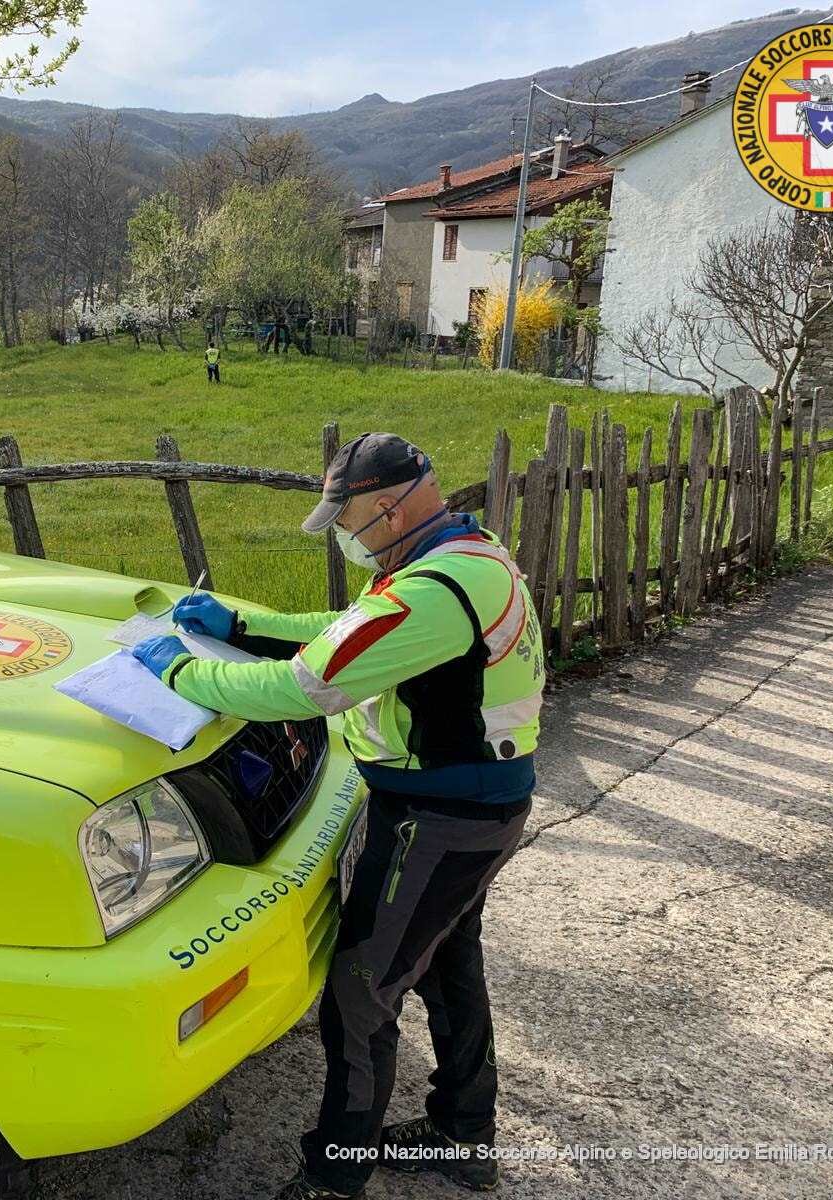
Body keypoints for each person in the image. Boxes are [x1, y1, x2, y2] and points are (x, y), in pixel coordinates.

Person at [132, 433, 544, 1199]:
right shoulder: (460, 554)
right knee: (448, 967)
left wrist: (186, 671)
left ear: (387, 507)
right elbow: (350, 631)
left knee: (361, 993)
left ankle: (334, 1176)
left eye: (346, 518)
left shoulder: (436, 591)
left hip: (440, 814)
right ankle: (463, 1134)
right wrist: (242, 627)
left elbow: (307, 687)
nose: (345, 535)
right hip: (473, 805)